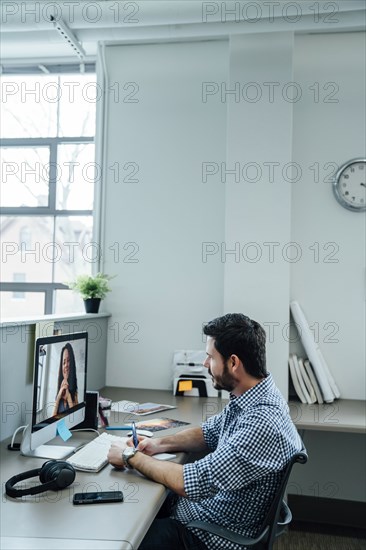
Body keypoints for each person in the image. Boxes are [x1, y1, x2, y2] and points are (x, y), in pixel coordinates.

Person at [108, 313, 304, 550]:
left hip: (212, 536)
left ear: (233, 363)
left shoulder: (261, 421)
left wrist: (131, 457)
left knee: (122, 538)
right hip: (206, 511)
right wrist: (160, 445)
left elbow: (193, 483)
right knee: (132, 505)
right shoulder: (253, 396)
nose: (205, 364)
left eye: (210, 357)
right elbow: (209, 432)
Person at [53, 343, 78, 415]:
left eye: (68, 361)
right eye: (64, 362)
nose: (66, 365)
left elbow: (75, 418)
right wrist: (58, 397)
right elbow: (52, 419)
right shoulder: (59, 391)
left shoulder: (75, 394)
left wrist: (69, 397)